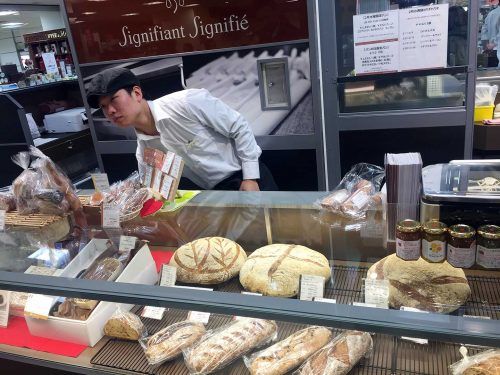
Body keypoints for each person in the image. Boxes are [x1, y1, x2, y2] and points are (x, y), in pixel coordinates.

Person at [86, 67, 277, 191]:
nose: (110, 110)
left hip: (248, 175)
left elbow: (239, 126)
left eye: (113, 100)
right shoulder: (144, 151)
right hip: (216, 194)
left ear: (136, 93)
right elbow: (153, 189)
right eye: (103, 106)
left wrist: (251, 177)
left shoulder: (187, 103)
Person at [481, 0, 500, 66]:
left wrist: (486, 45)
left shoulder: (491, 13)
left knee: (491, 73)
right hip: (497, 48)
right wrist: (494, 43)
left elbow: (484, 31)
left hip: (491, 50)